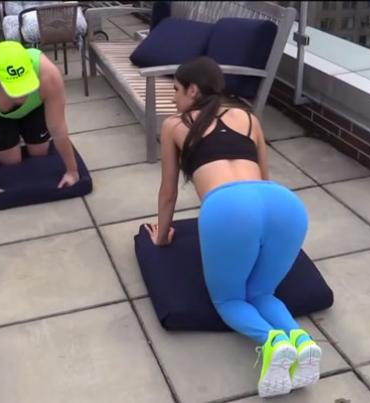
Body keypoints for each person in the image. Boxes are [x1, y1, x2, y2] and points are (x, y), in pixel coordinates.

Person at [145, 57, 322, 398]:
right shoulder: (249, 117)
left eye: (176, 90)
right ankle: (302, 341)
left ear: (193, 90)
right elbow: (264, 178)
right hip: (283, 204)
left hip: (229, 209)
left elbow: (168, 192)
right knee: (262, 293)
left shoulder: (173, 125)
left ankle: (272, 343)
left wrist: (162, 237)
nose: (173, 98)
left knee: (229, 300)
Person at [0, 40, 79, 196]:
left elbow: (58, 129)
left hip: (34, 108)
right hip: (0, 115)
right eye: (15, 89)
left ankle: (29, 135)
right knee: (10, 162)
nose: (22, 94)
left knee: (40, 154)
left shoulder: (48, 74)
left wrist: (72, 171)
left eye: (25, 85)